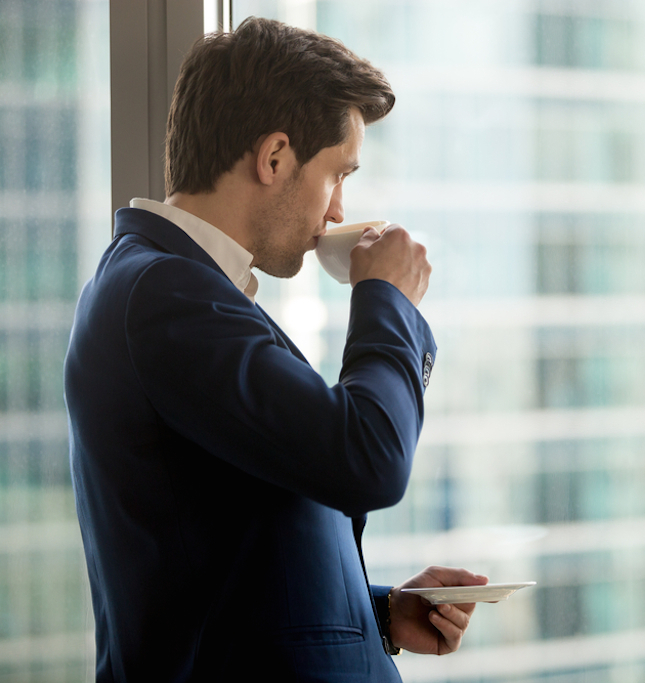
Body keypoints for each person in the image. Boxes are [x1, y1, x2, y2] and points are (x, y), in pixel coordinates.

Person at [64, 16, 485, 682]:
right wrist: (388, 301)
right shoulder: (165, 295)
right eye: (336, 175)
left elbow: (224, 559)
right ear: (275, 157)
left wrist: (374, 612)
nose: (339, 211)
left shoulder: (181, 292)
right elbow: (366, 456)